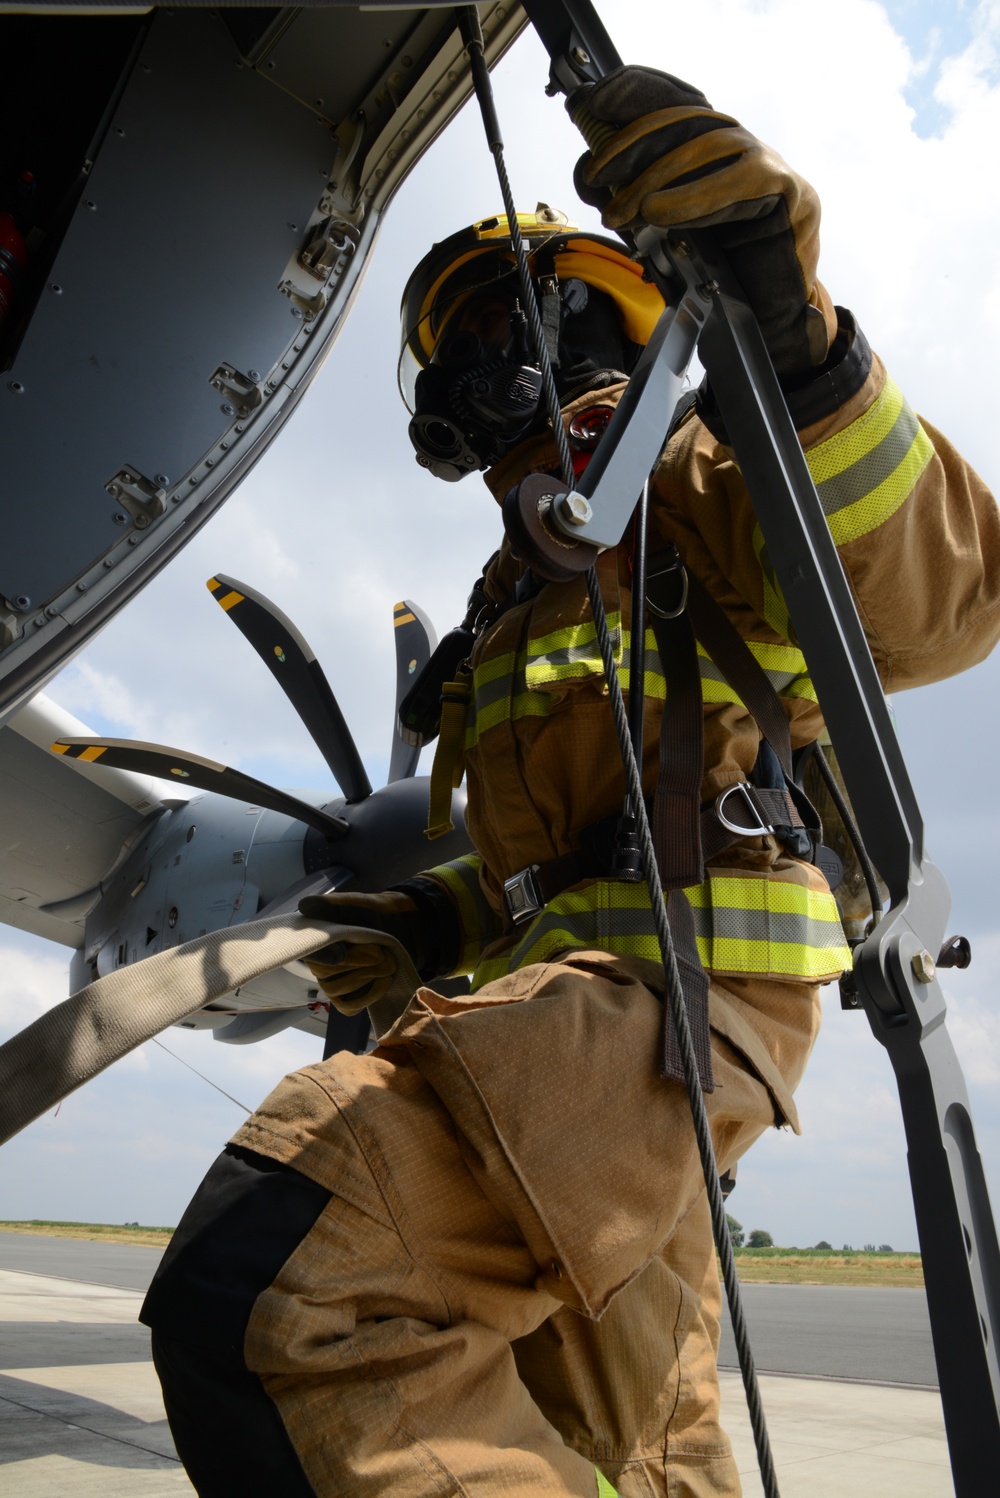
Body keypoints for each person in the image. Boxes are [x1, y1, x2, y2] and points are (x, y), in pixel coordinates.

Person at [141, 69, 1000, 1497]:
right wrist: (434, 920)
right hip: (581, 1020)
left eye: (509, 317)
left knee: (287, 1283)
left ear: (599, 314)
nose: (484, 359)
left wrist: (794, 341)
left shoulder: (695, 470)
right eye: (456, 345)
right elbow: (554, 853)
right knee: (633, 1449)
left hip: (674, 1001)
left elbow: (945, 602)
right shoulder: (509, 600)